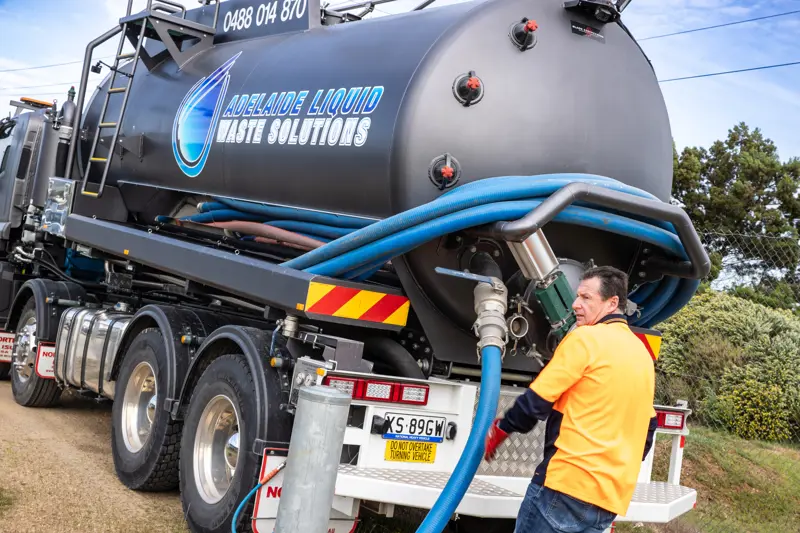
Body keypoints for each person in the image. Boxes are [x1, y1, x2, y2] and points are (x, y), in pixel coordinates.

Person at [484, 266, 658, 533]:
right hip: (607, 501)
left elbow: (537, 400)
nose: (575, 304)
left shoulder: (585, 339)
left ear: (612, 303)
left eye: (586, 298)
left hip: (565, 488)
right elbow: (648, 428)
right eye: (577, 296)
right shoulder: (641, 354)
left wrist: (501, 430)